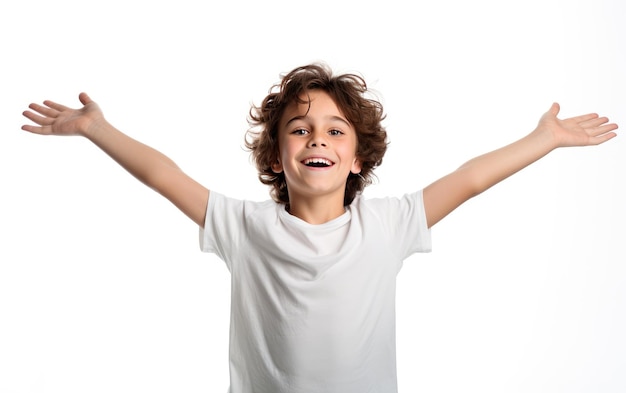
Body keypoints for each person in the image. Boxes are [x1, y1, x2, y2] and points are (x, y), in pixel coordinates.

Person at [21, 63, 618, 393]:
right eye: (300, 129)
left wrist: (545, 139)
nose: (318, 140)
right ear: (278, 158)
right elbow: (163, 174)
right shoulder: (244, 227)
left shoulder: (389, 224)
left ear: (357, 159)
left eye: (336, 131)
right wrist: (97, 129)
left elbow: (470, 178)